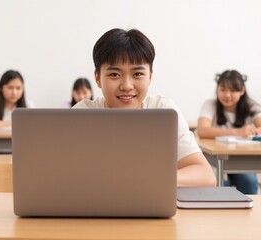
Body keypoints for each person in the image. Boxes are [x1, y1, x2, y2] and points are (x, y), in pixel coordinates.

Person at [73, 28, 216, 187]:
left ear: (150, 76)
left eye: (137, 74)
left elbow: (205, 175)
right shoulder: (82, 114)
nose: (127, 86)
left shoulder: (163, 111)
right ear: (98, 78)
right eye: (114, 75)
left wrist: (146, 180)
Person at [197, 70, 261, 194]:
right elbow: (202, 130)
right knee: (219, 184)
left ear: (242, 90)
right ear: (217, 90)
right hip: (215, 159)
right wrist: (238, 132)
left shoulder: (251, 106)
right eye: (223, 89)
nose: (227, 95)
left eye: (233, 90)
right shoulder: (210, 105)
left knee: (248, 181)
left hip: (242, 158)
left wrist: (255, 131)